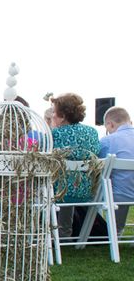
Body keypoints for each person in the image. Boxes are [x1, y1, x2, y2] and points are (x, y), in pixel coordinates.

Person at [50, 93, 100, 238]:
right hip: (87, 190)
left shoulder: (55, 134)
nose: (52, 115)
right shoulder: (92, 132)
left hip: (58, 191)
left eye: (54, 111)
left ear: (63, 115)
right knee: (68, 179)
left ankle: (49, 234)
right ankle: (64, 233)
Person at [99, 107, 134, 234]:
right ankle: (117, 230)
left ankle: (114, 232)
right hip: (126, 190)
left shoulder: (108, 140)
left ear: (110, 124)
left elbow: (99, 168)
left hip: (118, 195)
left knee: (105, 183)